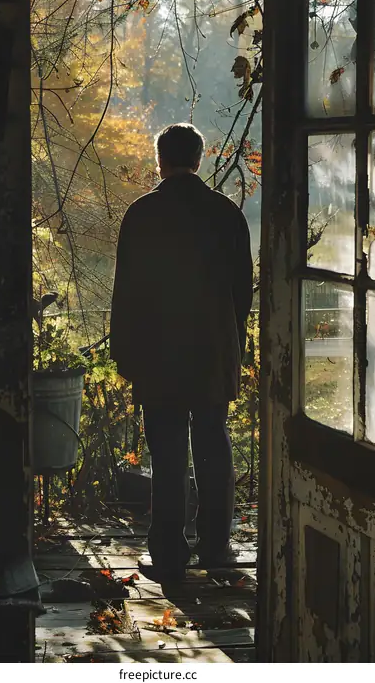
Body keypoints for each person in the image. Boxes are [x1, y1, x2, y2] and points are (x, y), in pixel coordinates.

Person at [110, 123, 254, 583]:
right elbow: (242, 291)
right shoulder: (226, 213)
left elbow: (126, 291)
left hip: (158, 350)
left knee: (168, 449)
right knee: (212, 441)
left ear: (160, 160)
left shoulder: (142, 214)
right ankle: (216, 544)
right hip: (213, 347)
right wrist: (237, 343)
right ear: (199, 159)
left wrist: (124, 351)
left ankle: (169, 551)